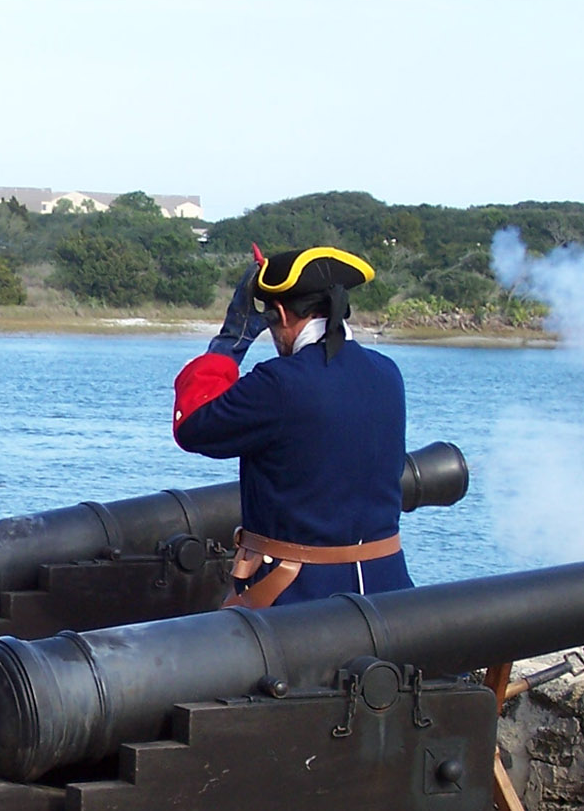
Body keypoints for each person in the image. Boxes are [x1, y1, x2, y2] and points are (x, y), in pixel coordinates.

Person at [173, 246, 411, 606]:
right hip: (388, 588)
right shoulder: (387, 373)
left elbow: (194, 426)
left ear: (281, 313)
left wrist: (230, 342)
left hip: (299, 599)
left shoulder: (280, 383)